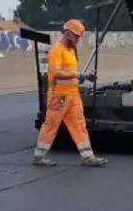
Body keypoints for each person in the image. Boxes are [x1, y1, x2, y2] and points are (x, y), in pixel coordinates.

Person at [32, 19, 107, 167]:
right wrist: (79, 76)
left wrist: (84, 78)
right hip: (58, 96)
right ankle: (39, 156)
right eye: (77, 37)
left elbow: (71, 73)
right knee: (51, 125)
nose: (78, 40)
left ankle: (87, 156)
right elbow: (56, 73)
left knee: (80, 125)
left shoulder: (71, 51)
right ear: (67, 34)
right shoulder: (56, 50)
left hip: (73, 95)